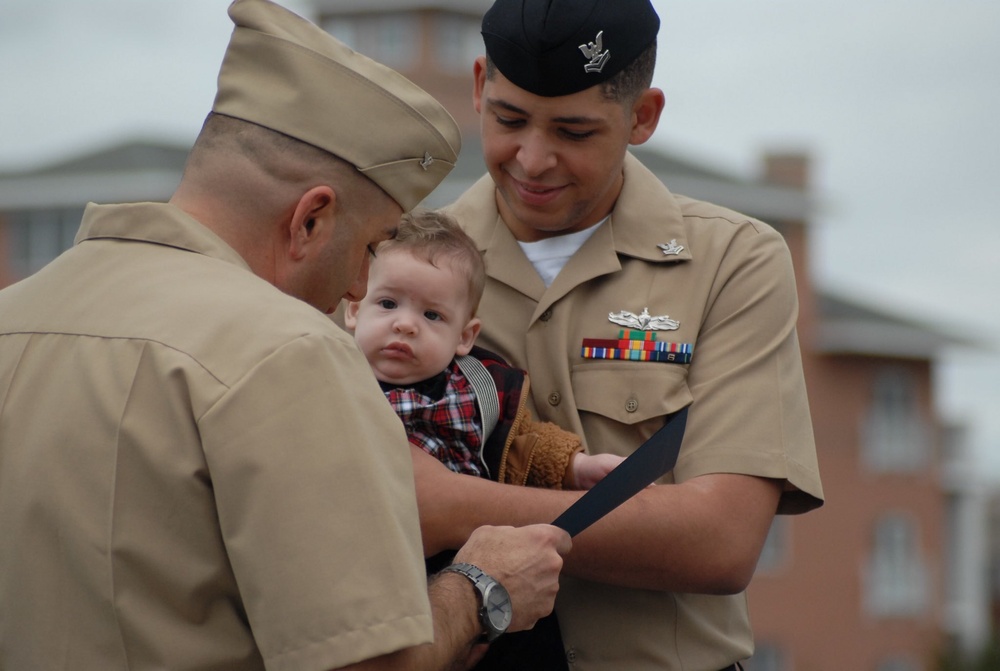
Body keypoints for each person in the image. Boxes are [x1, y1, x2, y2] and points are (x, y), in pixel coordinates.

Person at [0, 1, 570, 670]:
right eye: (367, 250)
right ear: (311, 220)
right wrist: (480, 588)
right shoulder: (289, 349)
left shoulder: (17, 316)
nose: (358, 290)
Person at [407, 1, 827, 670]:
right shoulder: (401, 263)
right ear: (481, 84)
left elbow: (721, 541)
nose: (533, 158)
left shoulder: (732, 261)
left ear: (643, 116)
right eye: (509, 119)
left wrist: (450, 504)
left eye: (573, 130)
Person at [343, 208, 623, 493]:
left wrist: (579, 468)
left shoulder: (479, 389)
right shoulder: (332, 379)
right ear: (354, 310)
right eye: (388, 304)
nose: (405, 325)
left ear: (464, 337)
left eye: (431, 315)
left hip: (469, 528)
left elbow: (524, 445)